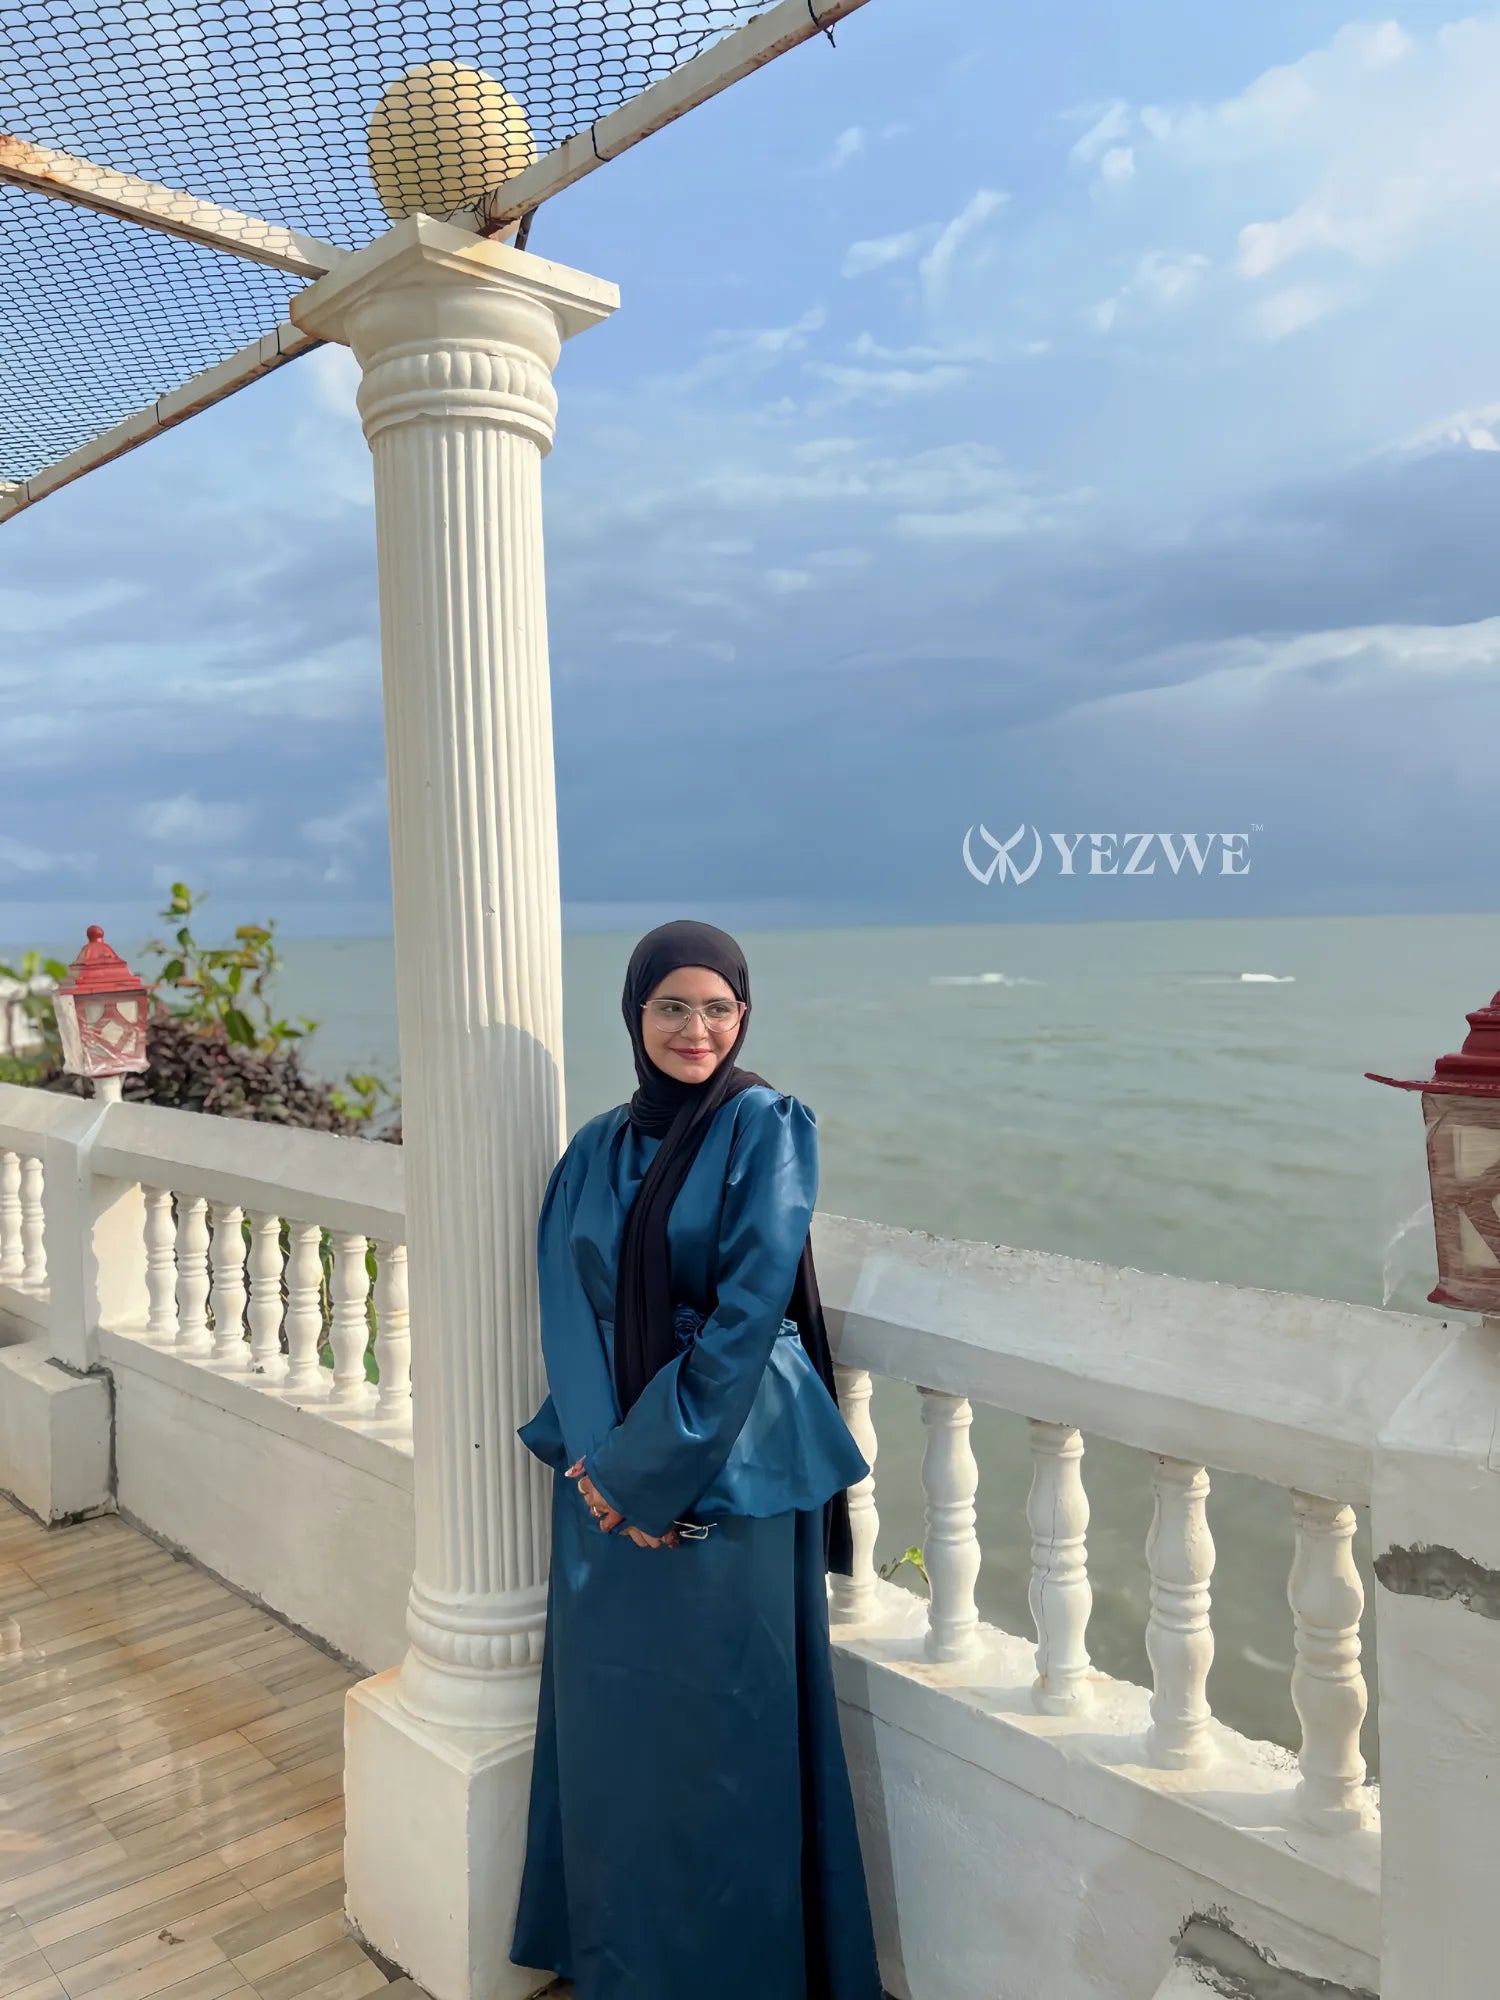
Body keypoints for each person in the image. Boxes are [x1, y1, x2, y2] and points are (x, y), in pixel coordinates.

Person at [511, 918, 885, 2000]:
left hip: (728, 1458)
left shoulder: (765, 1126)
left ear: (744, 1013)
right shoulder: (593, 1146)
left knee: (725, 1732)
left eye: (718, 1006)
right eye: (672, 1005)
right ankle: (623, 1959)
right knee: (617, 1728)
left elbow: (744, 1310)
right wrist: (600, 1464)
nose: (697, 1027)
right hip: (604, 1476)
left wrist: (651, 1470)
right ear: (634, 1014)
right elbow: (565, 1307)